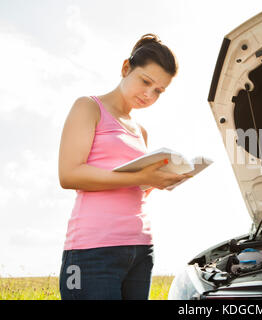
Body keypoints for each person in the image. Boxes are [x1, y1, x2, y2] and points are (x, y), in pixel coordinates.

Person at [58, 33, 190, 300]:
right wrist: (141, 175)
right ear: (125, 68)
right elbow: (69, 174)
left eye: (159, 91)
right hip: (92, 251)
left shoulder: (140, 131)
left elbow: (133, 186)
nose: (149, 94)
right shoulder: (89, 107)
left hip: (140, 248)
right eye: (146, 81)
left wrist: (155, 180)